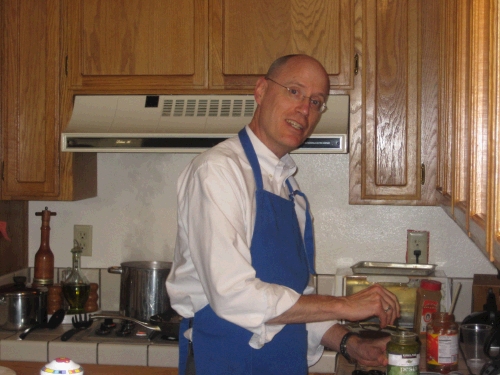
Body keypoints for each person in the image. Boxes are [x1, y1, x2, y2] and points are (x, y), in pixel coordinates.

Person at [166, 54, 401, 375]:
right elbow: (232, 295)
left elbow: (295, 302)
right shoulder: (218, 171)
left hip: (282, 363)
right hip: (225, 360)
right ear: (261, 91)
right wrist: (345, 305)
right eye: (294, 91)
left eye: (316, 101)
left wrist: (349, 343)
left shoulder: (291, 192)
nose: (305, 109)